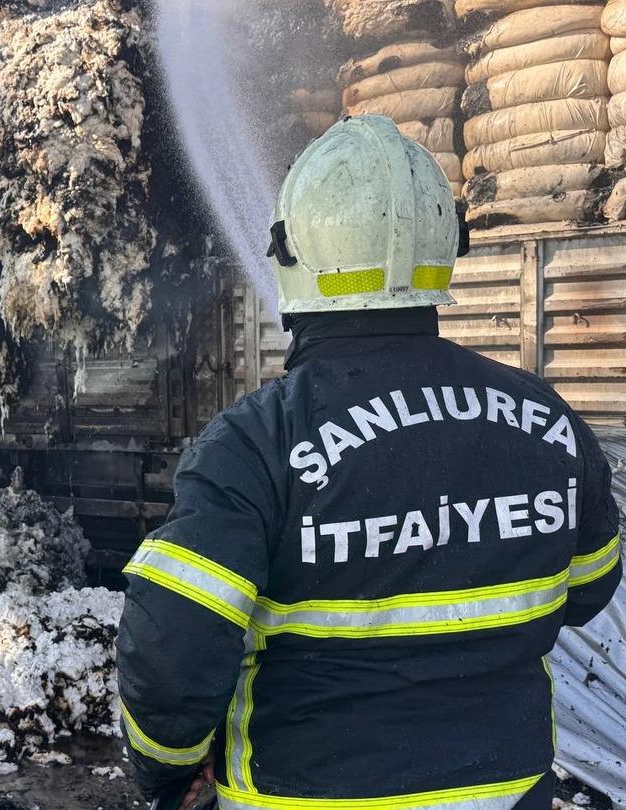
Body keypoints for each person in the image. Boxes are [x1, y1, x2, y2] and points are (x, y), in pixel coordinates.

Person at [116, 115, 622, 810]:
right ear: (446, 245)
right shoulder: (550, 422)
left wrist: (166, 771)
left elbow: (172, 650)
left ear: (292, 255)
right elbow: (590, 589)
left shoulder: (255, 443)